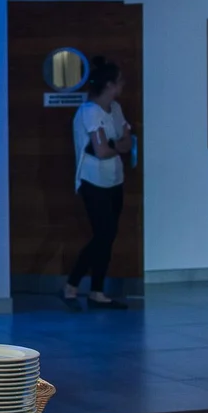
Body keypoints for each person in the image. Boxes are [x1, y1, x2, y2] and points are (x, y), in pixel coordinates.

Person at [63, 56, 132, 310]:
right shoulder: (89, 112)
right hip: (93, 181)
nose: (122, 85)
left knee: (108, 236)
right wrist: (117, 146)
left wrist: (116, 145)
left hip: (115, 179)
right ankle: (73, 284)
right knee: (103, 234)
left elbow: (127, 141)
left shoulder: (116, 109)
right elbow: (101, 150)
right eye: (119, 81)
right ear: (109, 84)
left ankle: (97, 290)